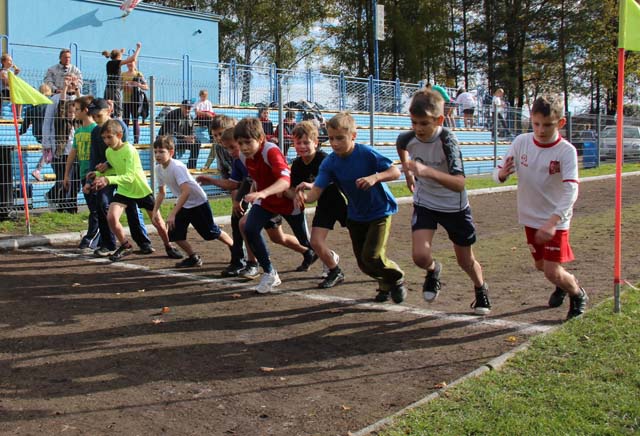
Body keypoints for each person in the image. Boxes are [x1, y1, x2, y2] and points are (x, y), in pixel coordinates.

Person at [493, 95, 588, 320]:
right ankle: (561, 283)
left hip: (555, 220)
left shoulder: (566, 151)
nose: (541, 130)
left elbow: (571, 190)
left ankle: (577, 292)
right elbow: (497, 173)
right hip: (529, 217)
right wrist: (502, 174)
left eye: (547, 125)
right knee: (541, 266)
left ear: (561, 123)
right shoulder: (521, 143)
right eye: (536, 124)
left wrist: (553, 222)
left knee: (551, 270)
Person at [397, 89, 491, 315]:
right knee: (420, 256)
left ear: (438, 120)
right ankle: (433, 270)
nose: (418, 129)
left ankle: (480, 288)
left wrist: (426, 171)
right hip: (425, 203)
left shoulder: (448, 140)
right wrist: (410, 175)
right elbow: (401, 146)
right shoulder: (407, 137)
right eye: (413, 122)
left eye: (424, 123)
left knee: (465, 261)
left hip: (454, 207)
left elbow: (459, 183)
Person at [299, 112, 407, 304]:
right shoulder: (330, 163)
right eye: (331, 138)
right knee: (364, 264)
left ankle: (396, 277)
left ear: (353, 136)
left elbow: (395, 171)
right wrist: (304, 198)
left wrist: (374, 177)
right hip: (356, 215)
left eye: (340, 138)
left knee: (372, 255)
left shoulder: (366, 153)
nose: (334, 143)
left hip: (379, 212)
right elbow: (316, 191)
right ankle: (386, 284)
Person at [88, 120, 183, 262]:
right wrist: (98, 175)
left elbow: (130, 176)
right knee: (111, 218)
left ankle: (169, 246)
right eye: (104, 138)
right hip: (125, 190)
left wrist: (107, 180)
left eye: (109, 137)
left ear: (119, 135)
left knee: (158, 222)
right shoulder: (109, 152)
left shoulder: (129, 150)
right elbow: (116, 169)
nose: (106, 141)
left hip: (140, 190)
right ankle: (126, 246)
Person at [234, 117, 310, 294]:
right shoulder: (243, 157)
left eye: (247, 142)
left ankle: (329, 259)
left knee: (306, 241)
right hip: (267, 201)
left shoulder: (271, 151)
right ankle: (269, 272)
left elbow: (285, 181)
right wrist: (256, 192)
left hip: (288, 200)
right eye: (240, 143)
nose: (243, 147)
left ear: (260, 138)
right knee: (249, 227)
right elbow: (255, 177)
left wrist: (262, 192)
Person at [152, 135, 233, 268]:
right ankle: (193, 257)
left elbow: (186, 191)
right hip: (184, 203)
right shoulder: (158, 169)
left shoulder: (177, 167)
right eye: (155, 151)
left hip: (198, 202)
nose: (158, 155)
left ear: (171, 152)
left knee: (210, 232)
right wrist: (155, 210)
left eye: (162, 151)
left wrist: (172, 213)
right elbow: (161, 192)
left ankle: (235, 249)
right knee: (175, 234)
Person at [88, 97, 153, 257]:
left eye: (99, 115)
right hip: (106, 177)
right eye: (93, 117)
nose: (96, 120)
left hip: (123, 177)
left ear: (108, 111)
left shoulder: (120, 126)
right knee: (102, 205)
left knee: (132, 208)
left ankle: (143, 242)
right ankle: (108, 243)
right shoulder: (95, 131)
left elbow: (123, 151)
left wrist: (108, 164)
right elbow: (95, 156)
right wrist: (92, 177)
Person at [291, 121, 347, 288]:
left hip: (341, 203)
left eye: (306, 142)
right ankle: (335, 271)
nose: (302, 146)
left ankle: (380, 268)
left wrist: (311, 186)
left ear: (315, 142)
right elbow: (295, 187)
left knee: (362, 240)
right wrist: (297, 195)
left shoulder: (324, 159)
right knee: (315, 242)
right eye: (298, 142)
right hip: (323, 206)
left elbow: (332, 180)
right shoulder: (297, 164)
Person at [197, 127, 256, 277]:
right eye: (227, 148)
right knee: (244, 225)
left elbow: (248, 181)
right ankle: (251, 263)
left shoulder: (252, 157)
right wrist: (210, 180)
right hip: (258, 197)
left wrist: (238, 200)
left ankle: (308, 250)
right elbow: (234, 183)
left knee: (280, 235)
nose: (230, 152)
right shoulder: (237, 161)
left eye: (232, 147)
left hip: (274, 195)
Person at [63, 95, 99, 251]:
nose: (74, 112)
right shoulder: (78, 131)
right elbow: (73, 153)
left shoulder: (96, 129)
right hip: (83, 174)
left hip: (94, 175)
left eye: (77, 109)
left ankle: (91, 237)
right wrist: (66, 173)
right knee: (93, 208)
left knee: (96, 209)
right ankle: (97, 236)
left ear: (86, 110)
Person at [42, 74, 80, 213]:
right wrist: (46, 143)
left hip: (75, 149)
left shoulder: (77, 100)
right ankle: (58, 201)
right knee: (62, 178)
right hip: (59, 147)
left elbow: (82, 106)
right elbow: (49, 120)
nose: (70, 83)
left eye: (72, 80)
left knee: (74, 180)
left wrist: (76, 88)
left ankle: (69, 206)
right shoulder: (56, 100)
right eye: (68, 80)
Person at [102, 42, 142, 119]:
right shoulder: (117, 63)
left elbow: (117, 58)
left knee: (107, 108)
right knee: (118, 111)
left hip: (107, 88)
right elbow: (132, 59)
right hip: (115, 90)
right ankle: (119, 124)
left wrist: (121, 52)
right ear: (118, 57)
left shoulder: (109, 63)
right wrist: (138, 49)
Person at [158, 99, 201, 169]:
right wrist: (185, 137)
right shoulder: (173, 114)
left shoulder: (190, 117)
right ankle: (173, 166)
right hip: (166, 139)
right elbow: (170, 133)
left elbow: (192, 131)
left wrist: (192, 137)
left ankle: (191, 166)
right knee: (172, 140)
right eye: (186, 107)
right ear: (181, 106)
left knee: (197, 142)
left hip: (181, 140)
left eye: (189, 108)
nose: (187, 110)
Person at [24, 84, 53, 182]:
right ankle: (38, 170)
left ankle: (39, 169)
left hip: (36, 133)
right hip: (47, 133)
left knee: (49, 150)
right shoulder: (49, 105)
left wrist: (22, 130)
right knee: (51, 149)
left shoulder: (32, 107)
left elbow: (26, 120)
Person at [121, 60, 148, 144]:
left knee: (135, 120)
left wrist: (137, 84)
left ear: (135, 64)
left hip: (135, 101)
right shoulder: (123, 74)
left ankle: (136, 141)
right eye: (128, 63)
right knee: (125, 121)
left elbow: (146, 87)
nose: (129, 64)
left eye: (131, 62)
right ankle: (124, 140)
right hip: (125, 100)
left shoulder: (138, 74)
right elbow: (119, 87)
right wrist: (124, 85)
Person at [1, 53, 22, 117]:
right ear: (4, 62)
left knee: (20, 95)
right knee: (17, 95)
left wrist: (15, 74)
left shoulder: (10, 72)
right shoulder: (2, 72)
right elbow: (7, 83)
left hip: (10, 90)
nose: (11, 62)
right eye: (9, 60)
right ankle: (18, 115)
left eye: (11, 61)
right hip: (4, 91)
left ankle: (18, 115)